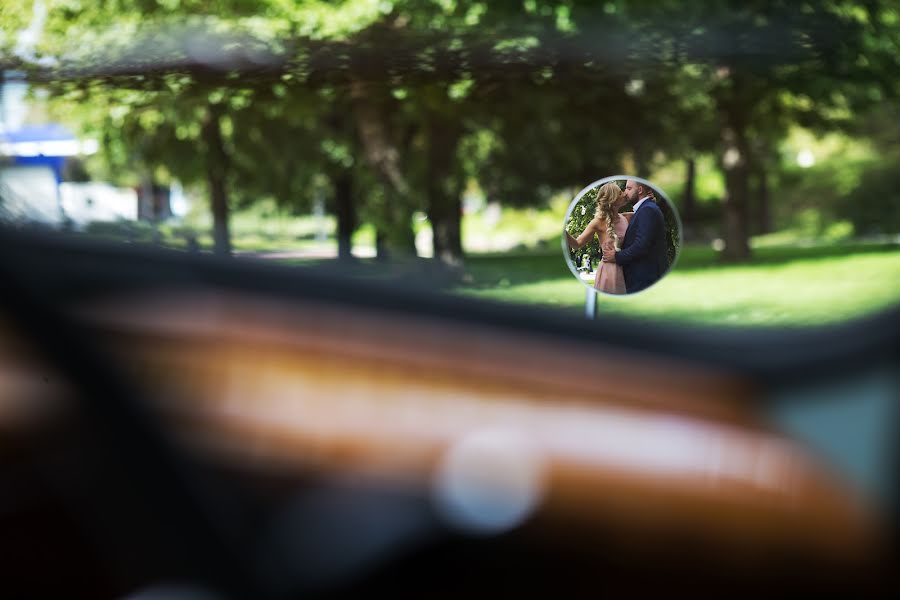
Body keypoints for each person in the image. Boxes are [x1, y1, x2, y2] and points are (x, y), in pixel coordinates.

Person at [601, 179, 668, 294]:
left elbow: (641, 245)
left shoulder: (647, 210)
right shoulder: (645, 209)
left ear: (640, 190)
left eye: (629, 188)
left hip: (645, 279)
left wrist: (617, 256)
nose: (625, 192)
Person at [565, 182, 630, 294]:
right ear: (612, 199)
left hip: (628, 268)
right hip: (610, 272)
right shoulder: (597, 222)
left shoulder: (627, 217)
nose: (624, 194)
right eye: (620, 193)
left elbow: (646, 211)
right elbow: (577, 244)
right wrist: (563, 232)